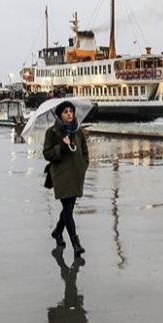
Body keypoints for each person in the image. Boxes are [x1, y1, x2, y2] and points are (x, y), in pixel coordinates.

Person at [43, 100, 89, 257]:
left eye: (71, 111)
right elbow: (47, 154)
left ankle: (57, 231)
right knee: (68, 210)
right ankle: (76, 243)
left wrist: (83, 166)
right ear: (60, 115)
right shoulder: (52, 132)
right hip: (61, 176)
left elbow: (85, 152)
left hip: (76, 174)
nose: (69, 114)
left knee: (68, 209)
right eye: (65, 112)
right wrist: (61, 147)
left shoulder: (78, 131)